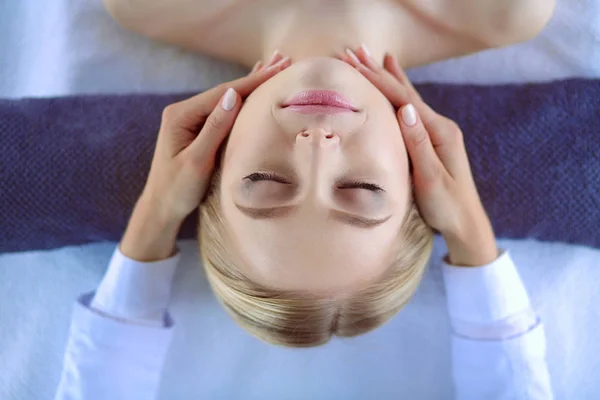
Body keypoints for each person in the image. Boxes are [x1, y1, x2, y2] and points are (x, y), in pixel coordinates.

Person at [55, 0, 556, 398]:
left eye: (268, 182)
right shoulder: (507, 8)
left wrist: (159, 209)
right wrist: (469, 229)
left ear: (212, 164)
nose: (316, 148)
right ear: (419, 176)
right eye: (360, 190)